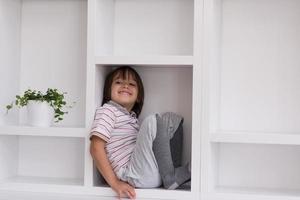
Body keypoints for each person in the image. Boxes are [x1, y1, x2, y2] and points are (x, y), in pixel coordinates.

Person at [90, 66, 190, 199]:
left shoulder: (132, 119)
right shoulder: (108, 111)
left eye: (131, 84)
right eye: (119, 82)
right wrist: (114, 183)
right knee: (152, 120)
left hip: (150, 172)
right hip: (132, 175)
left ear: (138, 97)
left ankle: (172, 173)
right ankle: (170, 177)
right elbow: (96, 148)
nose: (125, 86)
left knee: (171, 119)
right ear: (108, 91)